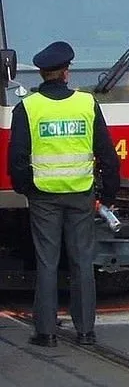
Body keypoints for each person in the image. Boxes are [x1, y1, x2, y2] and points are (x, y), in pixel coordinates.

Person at [8, 41, 120, 348]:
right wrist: (108, 195)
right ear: (66, 73)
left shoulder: (28, 108)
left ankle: (45, 332)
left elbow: (17, 158)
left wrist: (26, 188)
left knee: (47, 261)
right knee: (82, 260)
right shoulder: (86, 105)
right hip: (81, 194)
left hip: (43, 196)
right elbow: (107, 154)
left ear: (42, 74)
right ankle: (86, 331)